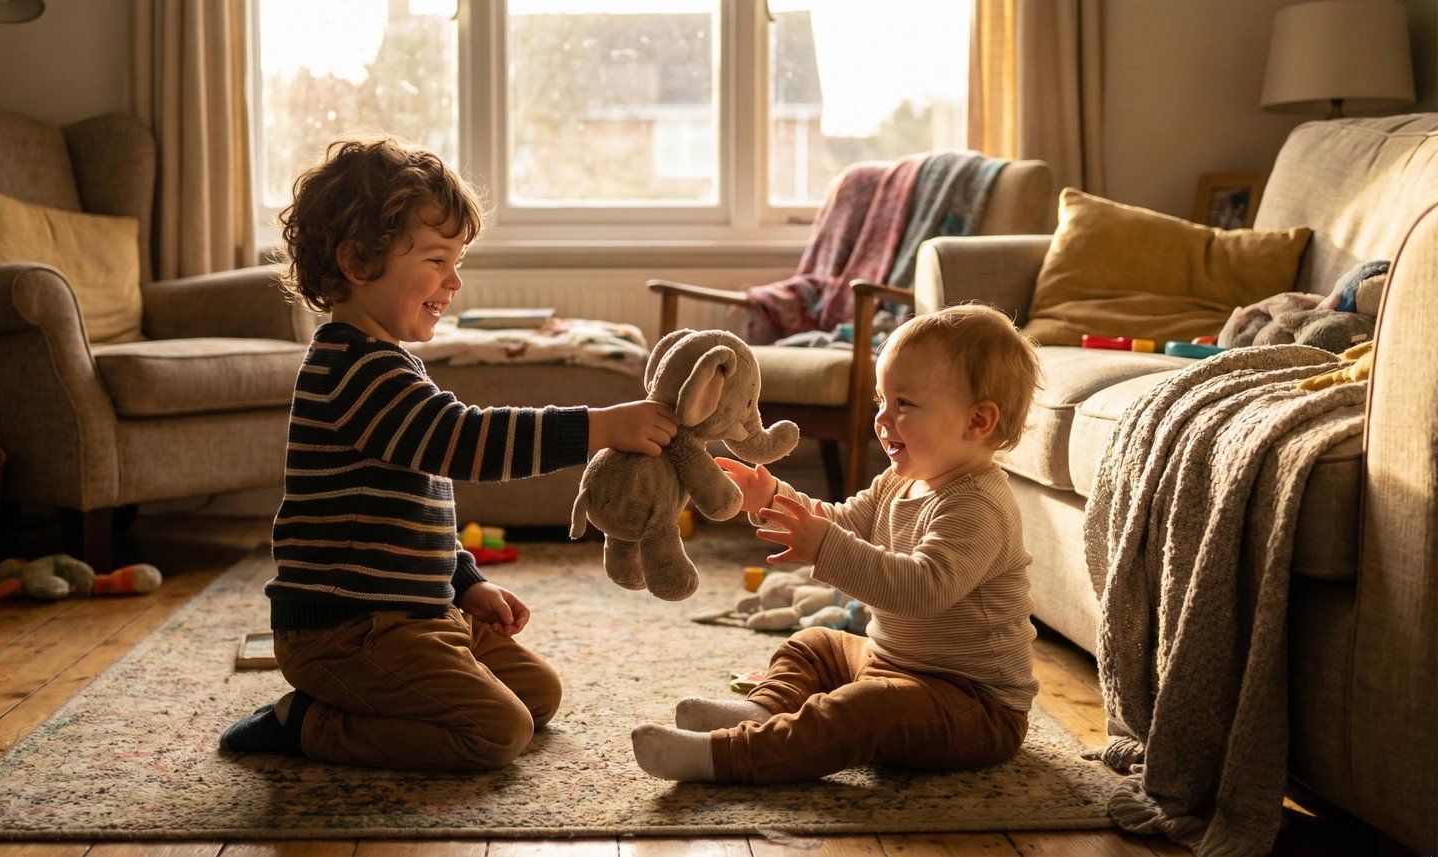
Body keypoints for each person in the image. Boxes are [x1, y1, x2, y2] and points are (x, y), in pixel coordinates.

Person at [220, 136, 678, 770]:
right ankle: (306, 723)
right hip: (345, 633)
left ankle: (390, 689)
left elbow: (408, 516)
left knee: (539, 695)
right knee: (497, 733)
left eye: (456, 260)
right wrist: (599, 426)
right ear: (358, 260)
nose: (454, 281)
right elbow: (466, 441)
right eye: (437, 259)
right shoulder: (350, 369)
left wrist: (465, 581)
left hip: (414, 616)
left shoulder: (393, 363)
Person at [631, 303, 1042, 783]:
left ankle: (728, 756)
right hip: (890, 665)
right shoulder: (898, 482)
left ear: (978, 422)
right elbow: (840, 520)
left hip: (974, 704)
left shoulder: (978, 506)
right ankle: (762, 712)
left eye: (904, 404)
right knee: (815, 644)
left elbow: (922, 590)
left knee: (860, 709)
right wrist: (770, 498)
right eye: (881, 402)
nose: (882, 419)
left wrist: (823, 546)